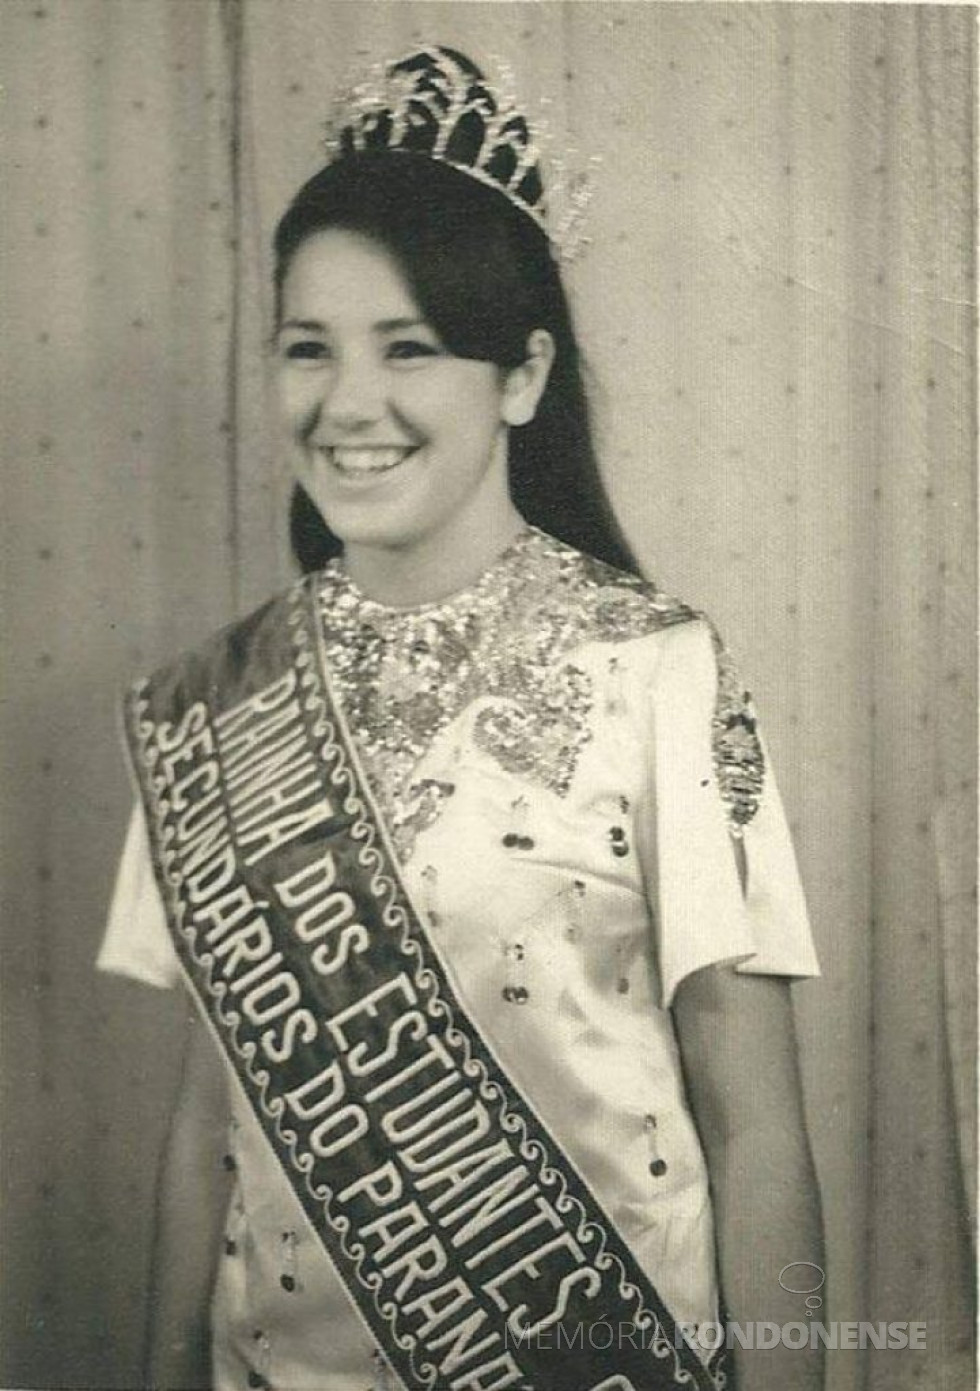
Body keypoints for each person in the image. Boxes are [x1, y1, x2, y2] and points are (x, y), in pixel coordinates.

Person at [99, 46, 824, 1391]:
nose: (349, 403)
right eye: (308, 348)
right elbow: (209, 1121)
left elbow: (757, 1127)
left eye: (411, 348)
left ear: (521, 376)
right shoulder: (219, 702)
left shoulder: (655, 667)